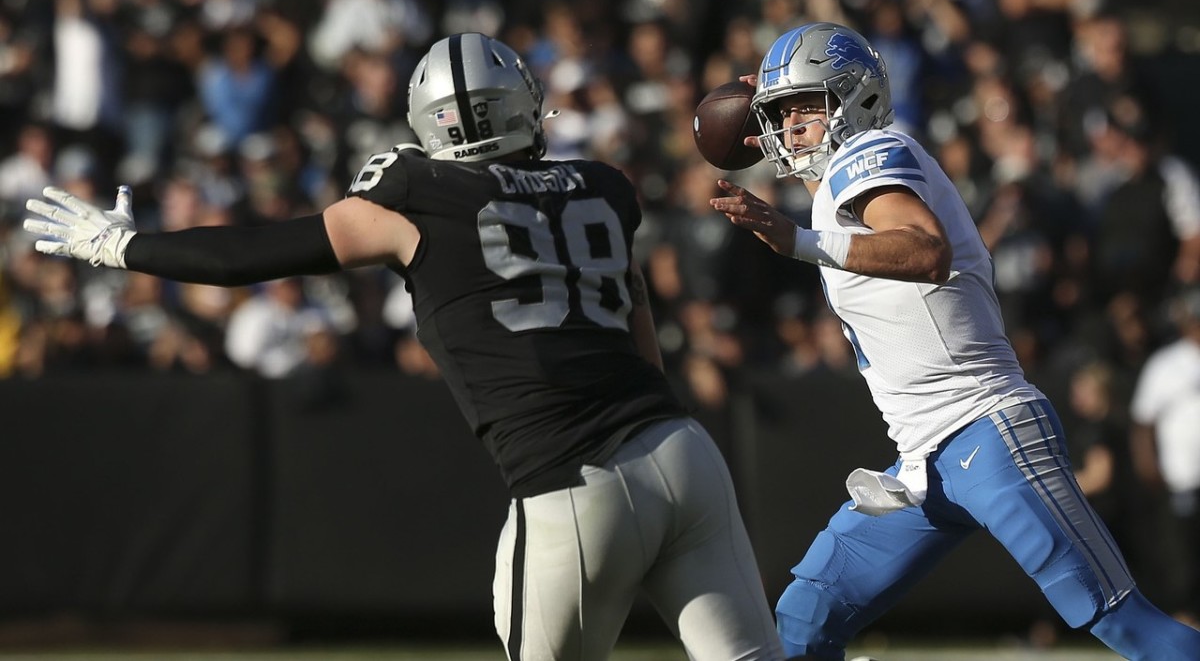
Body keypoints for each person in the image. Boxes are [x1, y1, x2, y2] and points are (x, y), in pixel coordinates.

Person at [23, 33, 785, 661]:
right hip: (682, 452)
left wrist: (126, 247)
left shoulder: (417, 196)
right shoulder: (605, 185)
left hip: (572, 480)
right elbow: (641, 343)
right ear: (522, 105)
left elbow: (258, 251)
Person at [709, 21, 1200, 660]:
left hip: (988, 432)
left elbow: (925, 250)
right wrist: (778, 94)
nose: (792, 124)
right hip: (922, 465)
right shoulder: (841, 182)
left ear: (855, 99)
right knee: (805, 619)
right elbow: (845, 212)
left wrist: (795, 242)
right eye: (782, 112)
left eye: (809, 105)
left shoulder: (874, 153)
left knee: (1124, 624)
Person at [1129, 286, 1200, 627]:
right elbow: (1143, 421)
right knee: (1183, 553)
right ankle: (1186, 618)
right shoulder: (1166, 364)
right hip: (1182, 475)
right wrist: (1148, 465)